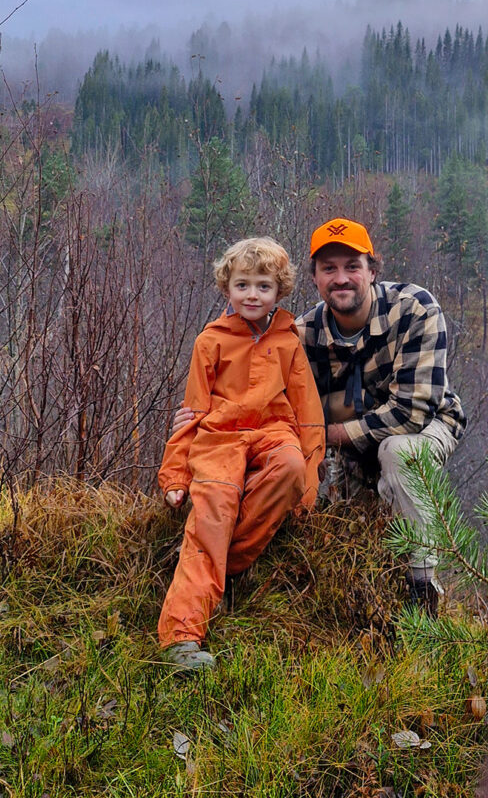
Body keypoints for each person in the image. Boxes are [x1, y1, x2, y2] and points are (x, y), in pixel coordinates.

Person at [158, 237, 325, 669]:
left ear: (279, 291)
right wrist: (175, 475)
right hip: (219, 438)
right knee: (213, 511)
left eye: (264, 286)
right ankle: (182, 638)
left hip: (273, 432)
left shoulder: (288, 343)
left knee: (289, 469)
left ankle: (220, 570)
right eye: (243, 285)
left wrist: (309, 485)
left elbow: (308, 416)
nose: (253, 295)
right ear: (227, 287)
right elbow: (191, 413)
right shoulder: (209, 341)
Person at [300, 218, 466, 617]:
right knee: (311, 482)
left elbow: (411, 413)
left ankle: (422, 591)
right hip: (349, 443)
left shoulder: (415, 310)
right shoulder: (303, 335)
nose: (341, 278)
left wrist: (331, 433)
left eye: (352, 266)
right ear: (315, 279)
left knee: (397, 452)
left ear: (373, 271)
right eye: (329, 269)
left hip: (425, 425)